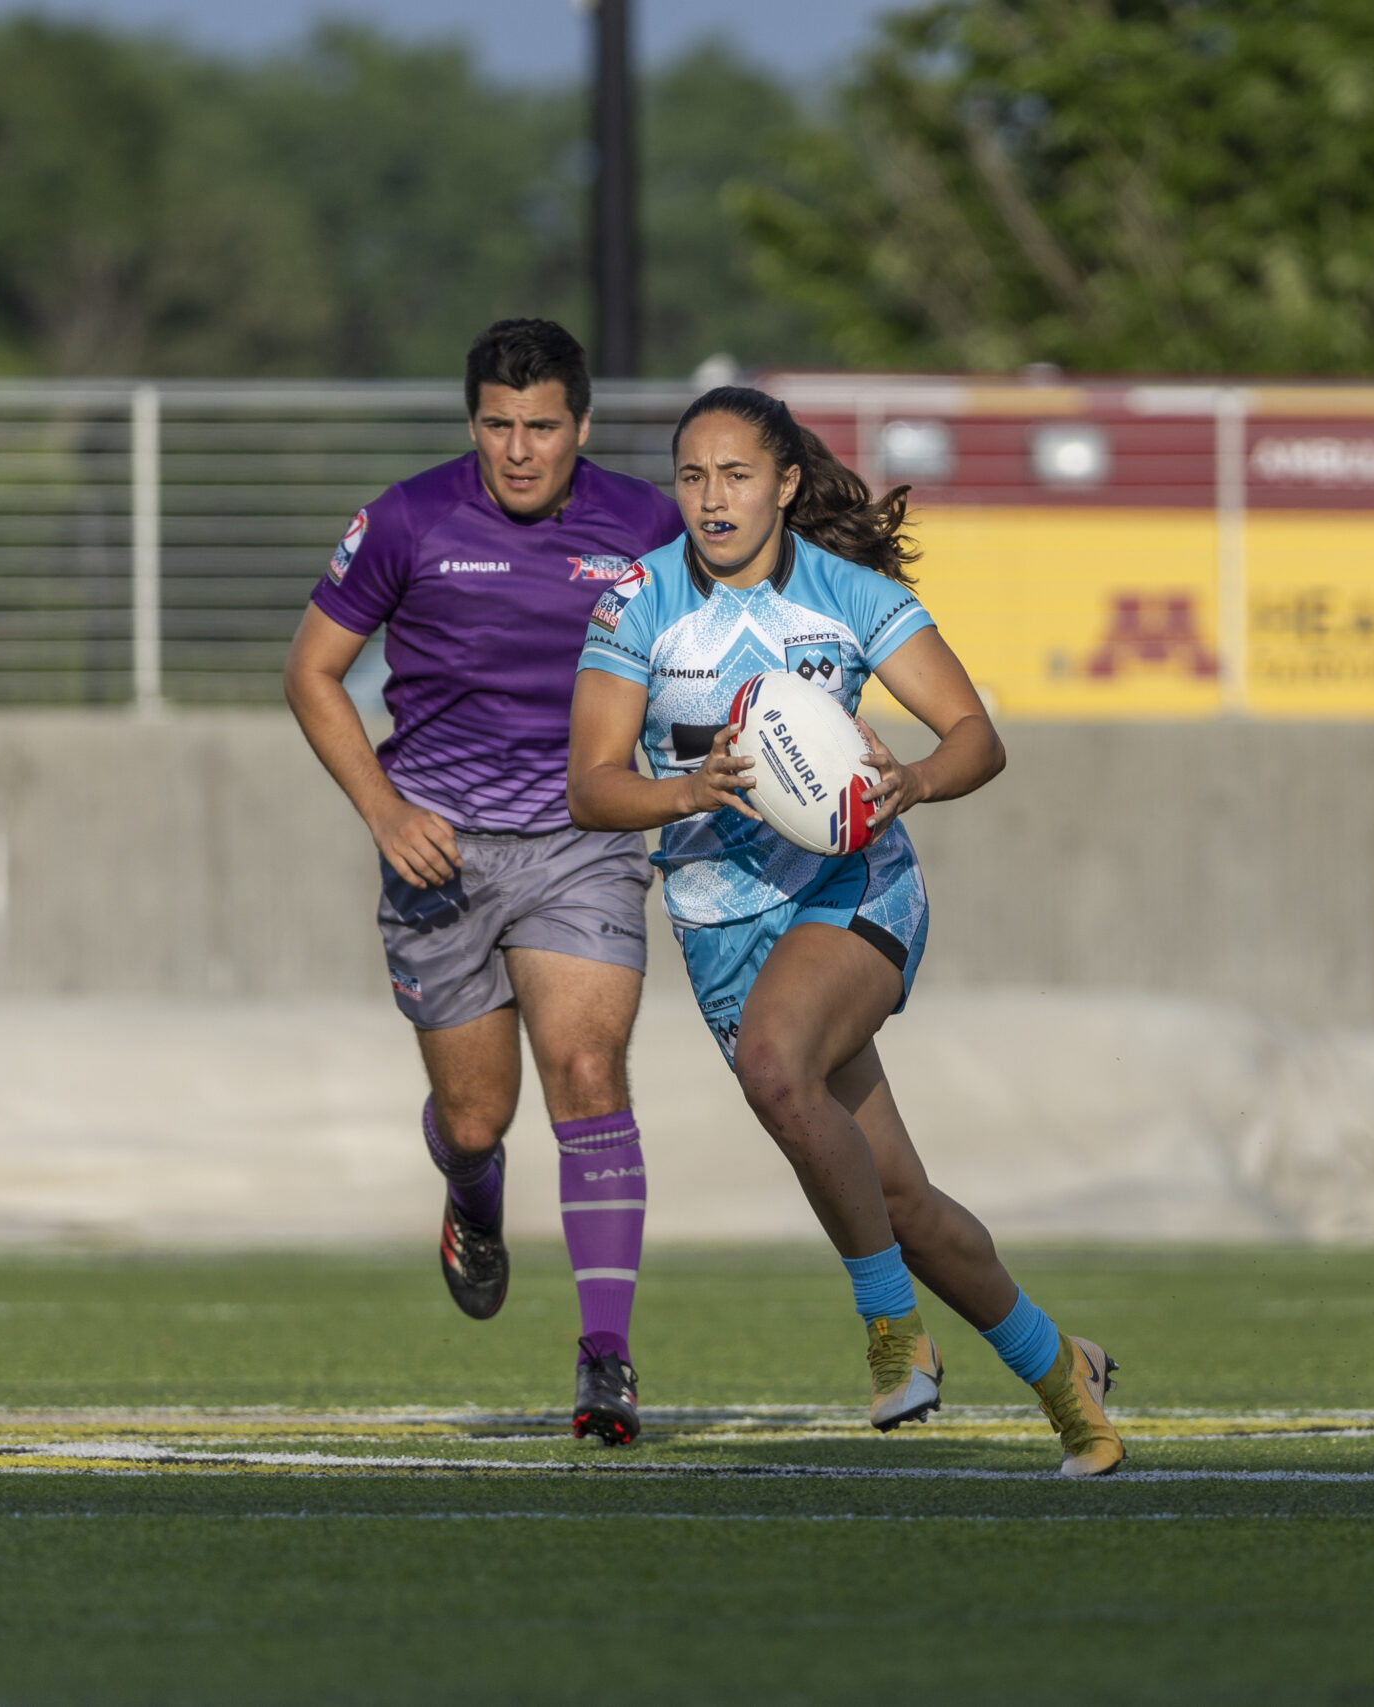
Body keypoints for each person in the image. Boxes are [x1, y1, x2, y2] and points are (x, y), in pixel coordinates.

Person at [566, 385, 1126, 1477]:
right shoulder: (637, 604)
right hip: (720, 926)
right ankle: (1069, 1379)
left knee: (778, 1066)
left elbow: (976, 737)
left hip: (853, 893)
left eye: (735, 475)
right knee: (902, 1199)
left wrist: (911, 779)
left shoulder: (853, 598)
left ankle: (891, 1331)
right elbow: (591, 786)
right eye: (691, 477)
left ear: (783, 484)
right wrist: (690, 793)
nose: (712, 498)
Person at [282, 318, 683, 1445]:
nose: (519, 451)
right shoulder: (405, 520)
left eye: (542, 428)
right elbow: (311, 672)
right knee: (476, 1117)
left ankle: (605, 1356)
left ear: (581, 427)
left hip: (581, 839)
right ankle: (470, 1194)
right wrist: (384, 808)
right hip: (439, 849)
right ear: (473, 425)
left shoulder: (645, 527)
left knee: (590, 1073)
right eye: (499, 428)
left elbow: (706, 646)